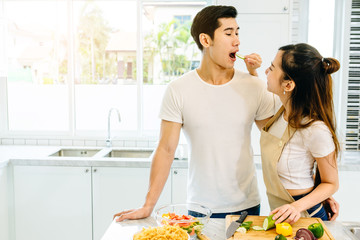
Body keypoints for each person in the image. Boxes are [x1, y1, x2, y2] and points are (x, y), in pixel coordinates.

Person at [114, 5, 274, 221]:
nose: (237, 40)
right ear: (206, 41)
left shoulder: (254, 85)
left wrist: (311, 192)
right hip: (200, 208)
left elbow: (276, 140)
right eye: (228, 33)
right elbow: (165, 149)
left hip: (247, 207)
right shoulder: (178, 90)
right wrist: (147, 206)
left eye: (237, 32)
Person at [261, 43, 340, 224]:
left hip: (304, 215)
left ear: (288, 84)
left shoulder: (315, 129)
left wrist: (297, 206)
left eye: (272, 68)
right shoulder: (281, 114)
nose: (266, 71)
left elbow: (331, 183)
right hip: (284, 213)